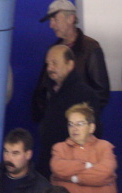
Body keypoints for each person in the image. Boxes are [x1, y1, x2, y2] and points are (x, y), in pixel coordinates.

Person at [50, 102, 117, 193]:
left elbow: (105, 172)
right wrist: (86, 166)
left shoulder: (104, 147)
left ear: (91, 127)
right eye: (70, 124)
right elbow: (57, 167)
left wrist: (74, 178)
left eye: (79, 124)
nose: (74, 128)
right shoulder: (59, 148)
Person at [34, 44, 100, 178]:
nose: (49, 68)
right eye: (48, 63)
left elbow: (92, 135)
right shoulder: (48, 91)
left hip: (71, 168)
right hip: (48, 162)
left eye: (54, 63)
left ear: (70, 64)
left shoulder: (85, 95)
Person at [34, 0, 110, 112]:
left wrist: (82, 116)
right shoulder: (53, 50)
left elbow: (101, 92)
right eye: (50, 20)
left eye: (55, 19)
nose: (51, 25)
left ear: (71, 18)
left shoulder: (90, 49)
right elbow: (44, 87)